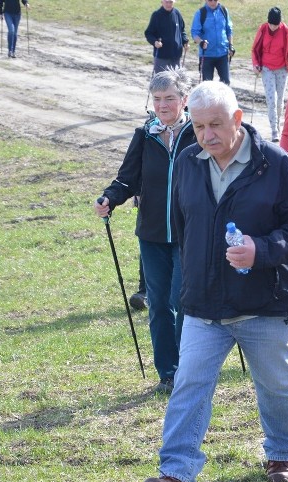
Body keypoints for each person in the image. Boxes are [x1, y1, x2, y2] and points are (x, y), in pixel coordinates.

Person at [140, 81, 288, 482]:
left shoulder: (273, 163)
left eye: (215, 124)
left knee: (276, 383)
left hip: (264, 301)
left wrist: (262, 249)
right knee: (189, 384)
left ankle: (283, 455)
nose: (207, 135)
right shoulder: (188, 162)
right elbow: (185, 229)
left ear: (237, 119)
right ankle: (177, 473)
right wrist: (190, 284)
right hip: (204, 303)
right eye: (199, 126)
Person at [94, 68, 197, 395]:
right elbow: (127, 179)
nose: (163, 105)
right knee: (159, 306)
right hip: (152, 234)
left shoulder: (198, 132)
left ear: (184, 99)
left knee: (183, 301)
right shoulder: (145, 134)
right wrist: (109, 198)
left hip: (188, 233)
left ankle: (187, 369)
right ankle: (167, 373)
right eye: (157, 99)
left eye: (169, 98)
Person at [251, 7, 288, 142]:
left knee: (279, 100)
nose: (273, 27)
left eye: (275, 24)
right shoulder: (263, 29)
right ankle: (274, 130)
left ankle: (278, 124)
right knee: (271, 99)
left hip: (282, 68)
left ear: (279, 23)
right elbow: (254, 49)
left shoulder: (285, 31)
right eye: (271, 24)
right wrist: (255, 64)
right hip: (266, 68)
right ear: (268, 22)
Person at [191, 0, 233, 85]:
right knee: (207, 85)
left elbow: (229, 30)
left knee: (226, 83)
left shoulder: (224, 10)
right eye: (210, 0)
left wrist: (231, 45)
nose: (213, 2)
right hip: (207, 55)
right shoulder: (201, 13)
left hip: (222, 54)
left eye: (215, 0)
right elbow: (194, 33)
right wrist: (201, 42)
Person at [144, 0, 189, 74]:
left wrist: (185, 41)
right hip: (161, 56)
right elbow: (149, 33)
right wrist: (155, 42)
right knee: (159, 81)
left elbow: (182, 30)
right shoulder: (156, 15)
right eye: (166, 2)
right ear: (162, 2)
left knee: (175, 82)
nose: (169, 4)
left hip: (176, 55)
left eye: (171, 2)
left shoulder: (177, 13)